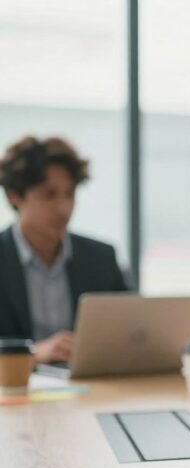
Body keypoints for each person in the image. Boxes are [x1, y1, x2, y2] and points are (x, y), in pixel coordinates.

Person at [0, 136, 130, 363]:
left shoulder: (101, 259)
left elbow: (133, 330)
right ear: (14, 195)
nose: (63, 208)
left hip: (92, 391)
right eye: (49, 194)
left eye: (69, 194)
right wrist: (33, 353)